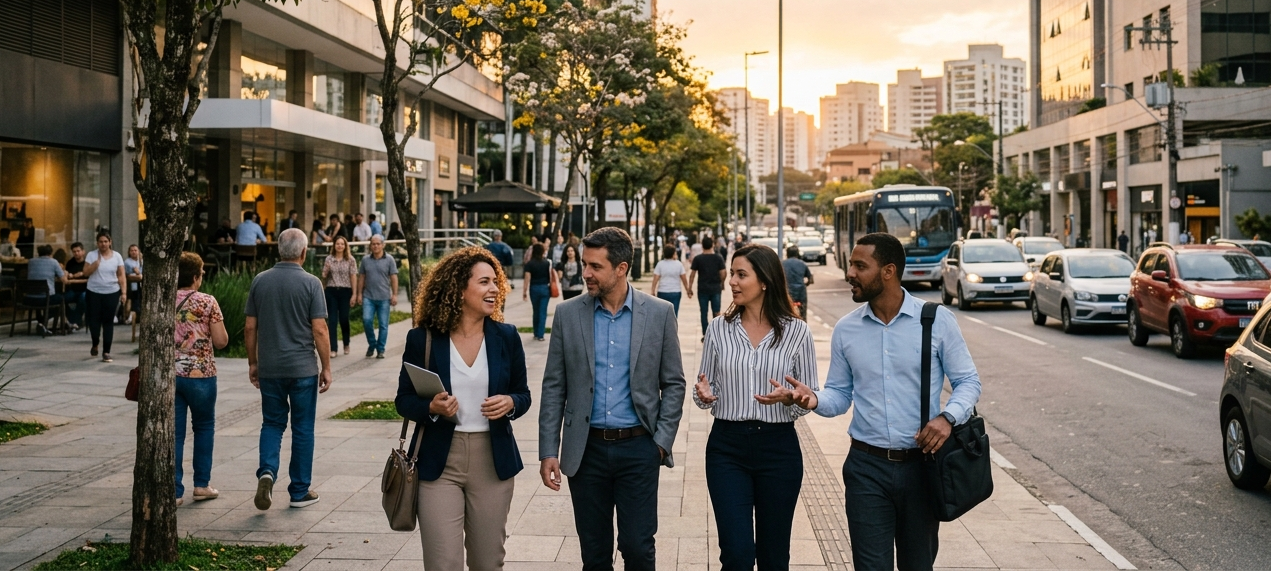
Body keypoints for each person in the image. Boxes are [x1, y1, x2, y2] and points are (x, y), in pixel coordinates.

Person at [783, 232, 982, 570]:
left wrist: (947, 418)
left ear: (888, 271)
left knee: (917, 565)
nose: (850, 274)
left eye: (860, 266)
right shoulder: (847, 330)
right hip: (865, 467)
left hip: (921, 467)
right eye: (851, 265)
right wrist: (813, 399)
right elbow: (840, 396)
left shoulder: (933, 320)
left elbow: (968, 381)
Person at [539, 227, 686, 571]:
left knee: (637, 547)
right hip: (585, 451)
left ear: (621, 268)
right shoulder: (568, 314)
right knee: (594, 553)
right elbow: (554, 386)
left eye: (595, 266)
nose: (585, 273)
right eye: (585, 265)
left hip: (639, 448)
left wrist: (660, 444)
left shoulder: (660, 313)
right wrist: (549, 449)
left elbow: (674, 383)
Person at [395, 247, 531, 571]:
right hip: (438, 461)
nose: (494, 289)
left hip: (492, 462)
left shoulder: (507, 337)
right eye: (485, 282)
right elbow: (403, 399)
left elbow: (523, 394)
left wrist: (511, 403)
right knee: (443, 563)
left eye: (496, 282)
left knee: (488, 562)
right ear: (459, 288)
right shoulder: (423, 339)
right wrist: (431, 406)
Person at [693, 243, 819, 571]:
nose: (731, 281)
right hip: (727, 448)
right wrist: (704, 395)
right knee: (736, 554)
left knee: (774, 557)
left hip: (779, 449)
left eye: (741, 275)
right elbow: (706, 388)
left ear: (764, 281)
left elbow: (809, 396)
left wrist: (795, 400)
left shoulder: (797, 332)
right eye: (732, 274)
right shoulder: (719, 328)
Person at [245, 228, 333, 510]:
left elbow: (250, 326)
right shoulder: (311, 283)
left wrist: (253, 362)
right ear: (304, 253)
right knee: (303, 428)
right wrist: (327, 367)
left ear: (278, 250)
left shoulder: (260, 281)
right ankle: (298, 491)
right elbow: (319, 329)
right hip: (302, 368)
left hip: (270, 368)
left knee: (272, 423)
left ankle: (267, 472)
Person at [173, 252, 228, 506]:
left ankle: (173, 490)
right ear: (195, 277)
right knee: (204, 427)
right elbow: (221, 340)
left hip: (171, 375)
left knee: (175, 434)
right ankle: (202, 485)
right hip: (202, 375)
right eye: (202, 273)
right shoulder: (207, 302)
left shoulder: (163, 300)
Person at [82, 232, 126, 362]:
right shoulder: (91, 255)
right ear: (97, 243)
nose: (103, 244)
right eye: (101, 242)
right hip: (94, 292)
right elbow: (85, 272)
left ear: (110, 242)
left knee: (108, 322)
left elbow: (121, 275)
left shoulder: (117, 256)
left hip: (112, 291)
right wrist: (94, 265)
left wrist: (124, 293)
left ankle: (106, 351)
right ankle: (95, 342)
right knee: (94, 321)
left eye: (105, 241)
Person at [355, 235, 398, 358]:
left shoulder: (389, 260)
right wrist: (359, 294)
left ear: (383, 245)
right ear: (370, 245)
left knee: (383, 325)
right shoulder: (365, 260)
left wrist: (394, 294)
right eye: (373, 244)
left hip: (384, 297)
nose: (375, 246)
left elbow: (394, 277)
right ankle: (372, 344)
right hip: (368, 296)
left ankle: (380, 349)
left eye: (378, 244)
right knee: (367, 320)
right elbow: (361, 277)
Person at [322, 235, 358, 358]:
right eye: (337, 244)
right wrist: (325, 271)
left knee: (344, 319)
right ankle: (333, 348)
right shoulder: (329, 259)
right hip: (331, 290)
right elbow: (324, 275)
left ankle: (346, 343)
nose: (340, 246)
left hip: (345, 291)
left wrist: (354, 294)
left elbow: (353, 277)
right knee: (332, 320)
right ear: (334, 245)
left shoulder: (350, 260)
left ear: (345, 246)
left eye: (342, 244)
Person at [689, 236, 727, 340]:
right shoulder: (718, 257)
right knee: (716, 312)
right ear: (713, 245)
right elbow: (723, 272)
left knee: (703, 312)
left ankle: (706, 334)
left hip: (702, 289)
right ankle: (716, 334)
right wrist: (722, 282)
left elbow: (692, 274)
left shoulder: (698, 258)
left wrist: (689, 288)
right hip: (715, 288)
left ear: (702, 246)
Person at [26, 245, 67, 335]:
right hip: (45, 299)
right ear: (50, 253)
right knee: (60, 299)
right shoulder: (53, 262)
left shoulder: (31, 261)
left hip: (29, 299)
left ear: (38, 253)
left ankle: (41, 322)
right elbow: (64, 280)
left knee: (41, 294)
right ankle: (43, 322)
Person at [522, 243, 556, 341]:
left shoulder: (529, 264)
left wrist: (524, 291)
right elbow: (550, 277)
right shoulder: (547, 263)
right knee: (543, 312)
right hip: (545, 288)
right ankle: (541, 335)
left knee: (536, 311)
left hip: (534, 288)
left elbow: (527, 278)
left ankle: (536, 332)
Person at [651, 244, 689, 315]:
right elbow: (684, 279)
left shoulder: (660, 264)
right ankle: (673, 326)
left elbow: (655, 279)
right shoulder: (679, 264)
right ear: (673, 253)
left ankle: (663, 326)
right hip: (675, 292)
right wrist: (687, 290)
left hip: (662, 292)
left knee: (663, 314)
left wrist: (653, 290)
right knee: (674, 314)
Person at [783, 245, 813, 321]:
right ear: (797, 254)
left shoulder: (782, 264)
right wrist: (805, 284)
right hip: (800, 293)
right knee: (802, 316)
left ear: (787, 254)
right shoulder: (802, 264)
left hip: (786, 293)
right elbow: (810, 279)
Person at [63, 242, 88, 331]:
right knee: (63, 299)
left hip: (85, 290)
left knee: (83, 298)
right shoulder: (70, 263)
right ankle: (73, 320)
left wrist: (78, 275)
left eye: (78, 251)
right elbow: (66, 274)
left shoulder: (87, 263)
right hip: (73, 289)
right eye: (74, 252)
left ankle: (76, 321)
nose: (76, 253)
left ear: (83, 252)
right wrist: (67, 275)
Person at [123, 244, 144, 323]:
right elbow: (130, 274)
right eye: (132, 250)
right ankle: (128, 317)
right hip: (131, 285)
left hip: (140, 285)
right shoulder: (128, 262)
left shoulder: (141, 261)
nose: (134, 252)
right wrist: (138, 274)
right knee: (131, 300)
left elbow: (141, 273)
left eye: (135, 250)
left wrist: (139, 274)